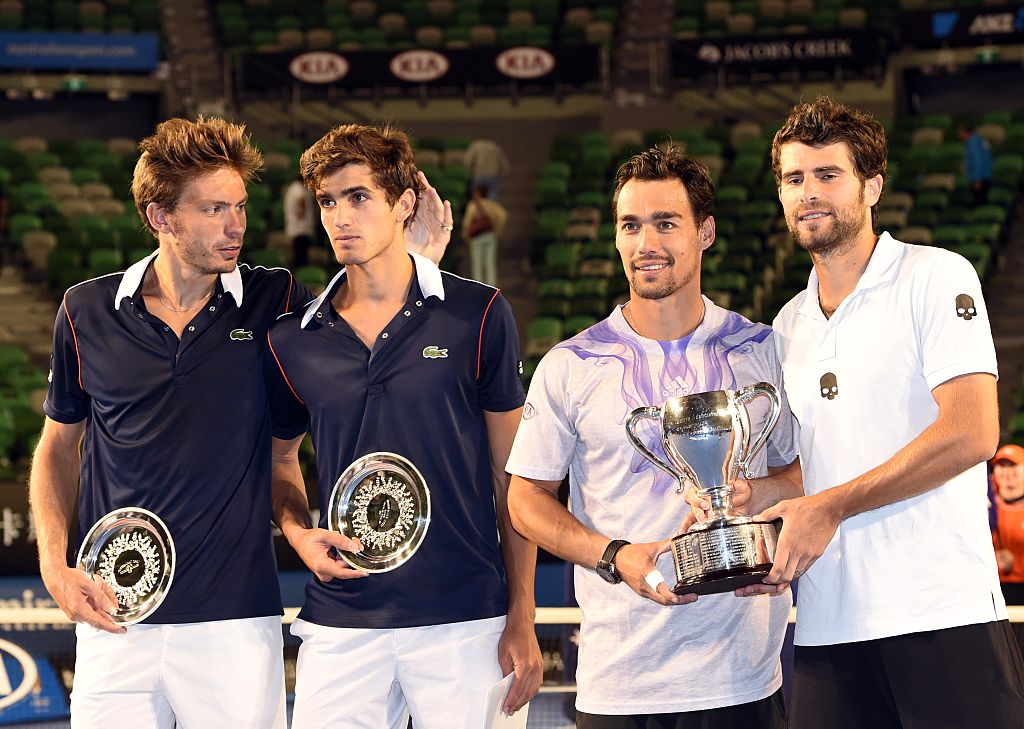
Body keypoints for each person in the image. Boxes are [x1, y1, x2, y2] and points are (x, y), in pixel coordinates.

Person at [29, 116, 453, 729]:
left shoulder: (276, 300)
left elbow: (369, 325)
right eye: (212, 210)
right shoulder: (85, 309)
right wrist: (52, 563)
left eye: (241, 206)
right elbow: (56, 450)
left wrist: (417, 259)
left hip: (235, 624)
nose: (236, 226)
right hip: (114, 619)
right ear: (160, 217)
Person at [744, 96, 1024, 729]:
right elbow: (810, 473)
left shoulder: (934, 276)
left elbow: (972, 431)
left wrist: (831, 505)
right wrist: (752, 496)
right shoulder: (787, 324)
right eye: (793, 179)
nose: (807, 193)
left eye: (826, 175)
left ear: (871, 185)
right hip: (828, 625)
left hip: (940, 612)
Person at [505, 146, 798, 728]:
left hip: (741, 681)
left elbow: (803, 474)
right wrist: (615, 557)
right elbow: (524, 500)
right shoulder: (572, 364)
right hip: (619, 684)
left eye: (666, 223)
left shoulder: (764, 352)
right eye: (631, 225)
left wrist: (763, 514)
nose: (647, 245)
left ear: (705, 232)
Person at [264, 122, 542, 729]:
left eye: (358, 197)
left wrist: (522, 616)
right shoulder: (293, 339)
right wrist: (296, 532)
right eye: (328, 201)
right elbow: (281, 462)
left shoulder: (479, 313)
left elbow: (514, 481)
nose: (339, 216)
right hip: (341, 623)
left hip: (466, 620)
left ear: (404, 203)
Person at [992, 444, 1024, 606]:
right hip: (992, 592)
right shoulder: (984, 507)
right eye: (1001, 465)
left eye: (1013, 465)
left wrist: (1016, 565)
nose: (1006, 471)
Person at [462, 184, 508, 286]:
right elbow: (503, 215)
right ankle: (492, 287)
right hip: (490, 235)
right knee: (490, 263)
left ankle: (479, 287)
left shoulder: (473, 205)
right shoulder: (492, 205)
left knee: (477, 263)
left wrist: (466, 236)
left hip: (477, 237)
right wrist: (497, 230)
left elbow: (467, 223)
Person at [283, 177, 318, 267]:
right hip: (300, 228)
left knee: (299, 254)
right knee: (300, 255)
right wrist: (303, 211)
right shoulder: (298, 189)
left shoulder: (293, 188)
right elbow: (301, 200)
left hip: (297, 228)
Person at [958, 122, 994, 206]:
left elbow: (978, 161)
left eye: (961, 133)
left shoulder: (972, 142)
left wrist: (977, 179)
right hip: (986, 175)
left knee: (980, 204)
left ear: (965, 132)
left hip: (980, 178)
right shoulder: (980, 139)